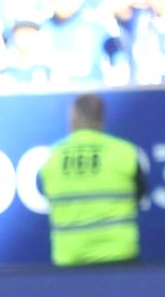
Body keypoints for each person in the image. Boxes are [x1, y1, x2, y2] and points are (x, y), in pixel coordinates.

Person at [39, 93, 145, 266]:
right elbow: (140, 195)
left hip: (71, 259)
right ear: (102, 118)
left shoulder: (53, 158)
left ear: (72, 118)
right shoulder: (125, 152)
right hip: (119, 257)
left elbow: (49, 197)